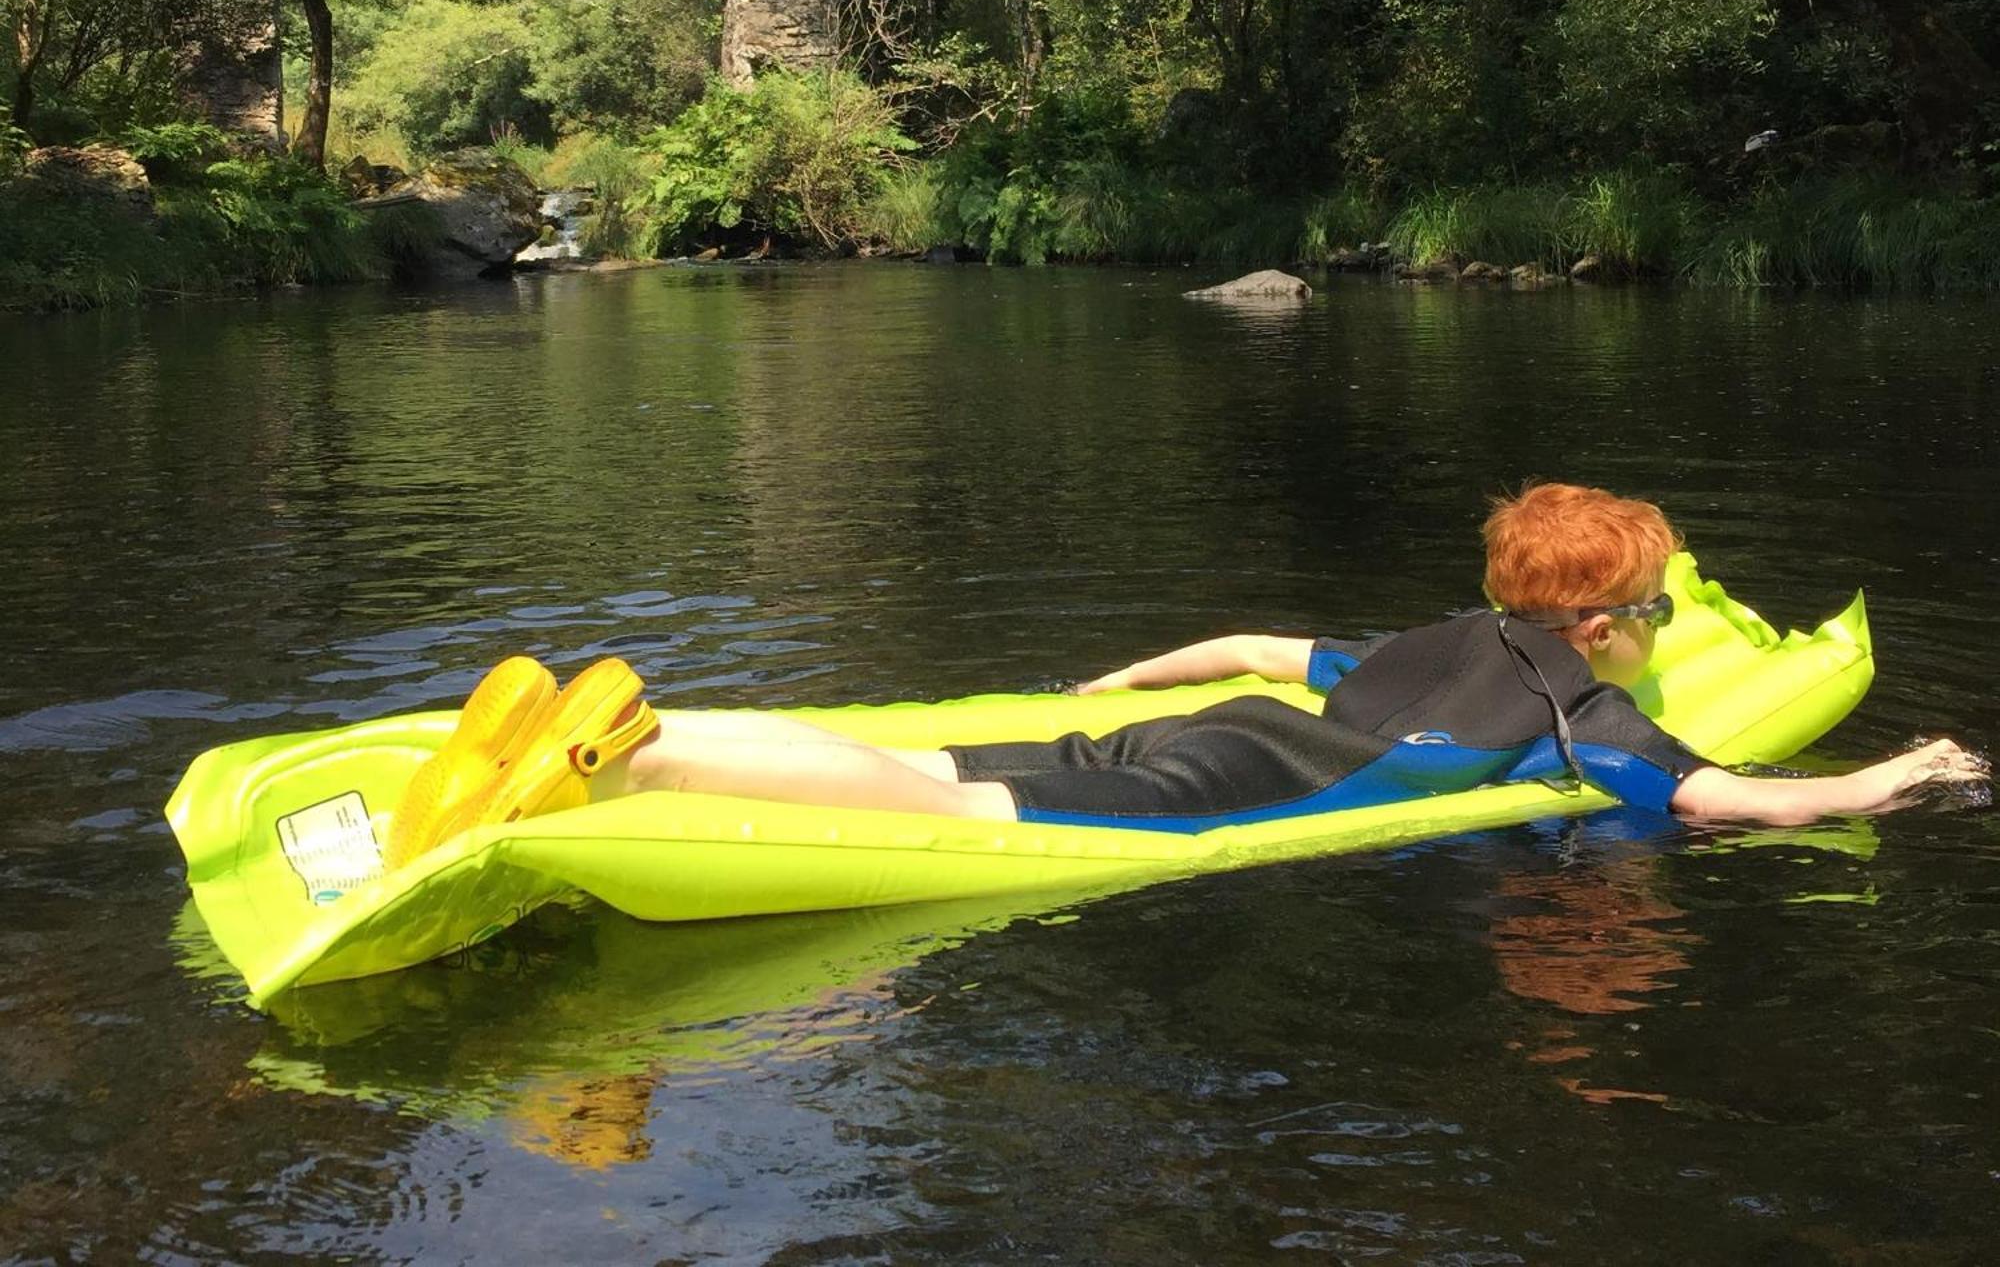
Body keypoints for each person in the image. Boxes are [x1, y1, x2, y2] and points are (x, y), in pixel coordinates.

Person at [388, 483, 1984, 867]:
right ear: (1600, 629)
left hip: (1223, 730)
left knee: (945, 768)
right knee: (937, 813)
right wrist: (1897, 776)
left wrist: (1104, 679)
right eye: (1645, 605)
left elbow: (1238, 648)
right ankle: (629, 761)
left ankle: (638, 709)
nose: (1650, 627)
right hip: (1232, 786)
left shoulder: (1434, 638)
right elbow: (1726, 801)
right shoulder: (1589, 707)